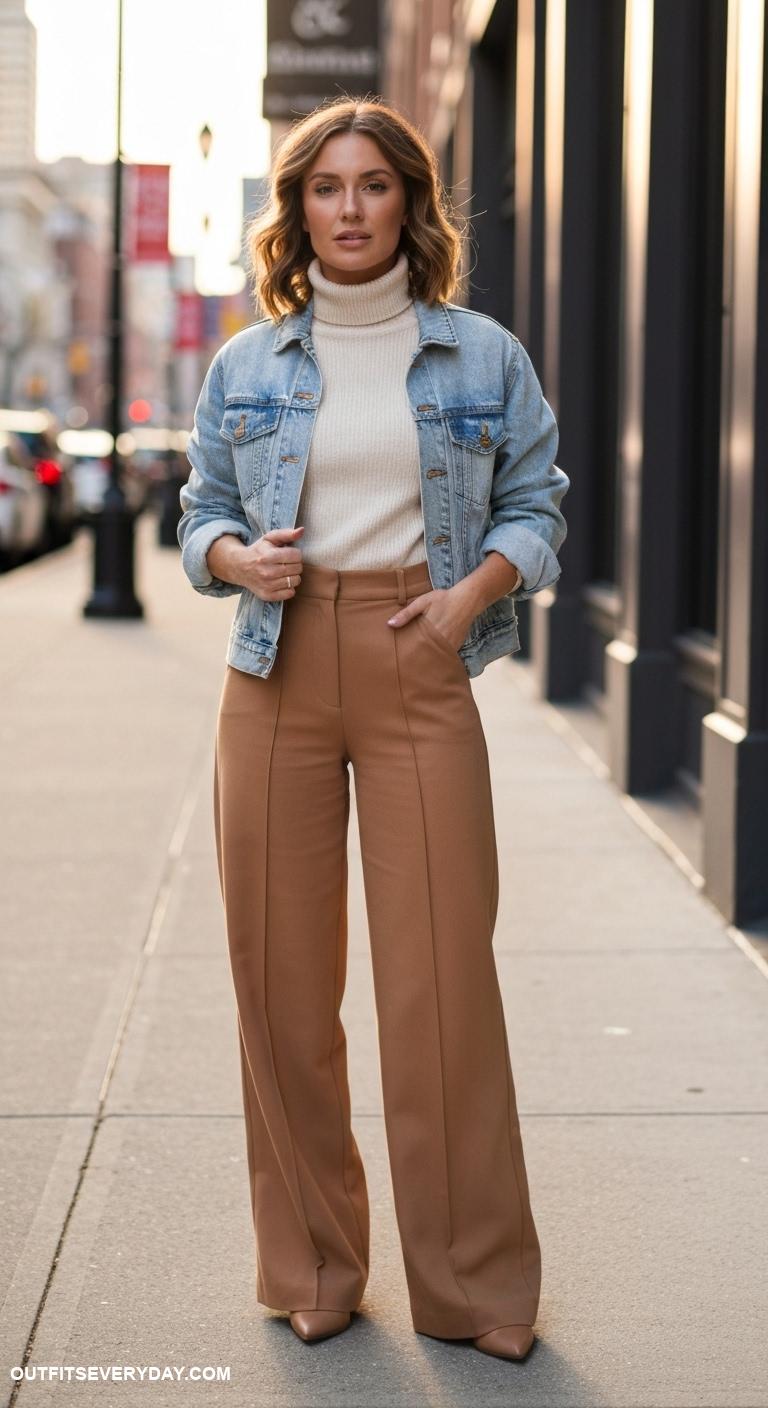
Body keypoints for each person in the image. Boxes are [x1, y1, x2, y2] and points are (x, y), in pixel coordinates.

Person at [177, 95, 569, 1362]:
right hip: (275, 670)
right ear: (297, 212)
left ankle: (474, 1284)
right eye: (325, 189)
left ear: (411, 201)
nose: (349, 209)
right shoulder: (246, 365)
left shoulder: (481, 354)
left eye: (373, 186)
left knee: (441, 981)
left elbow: (536, 504)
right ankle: (311, 1263)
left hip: (417, 658)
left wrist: (467, 600)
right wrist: (239, 558)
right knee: (282, 986)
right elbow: (197, 516)